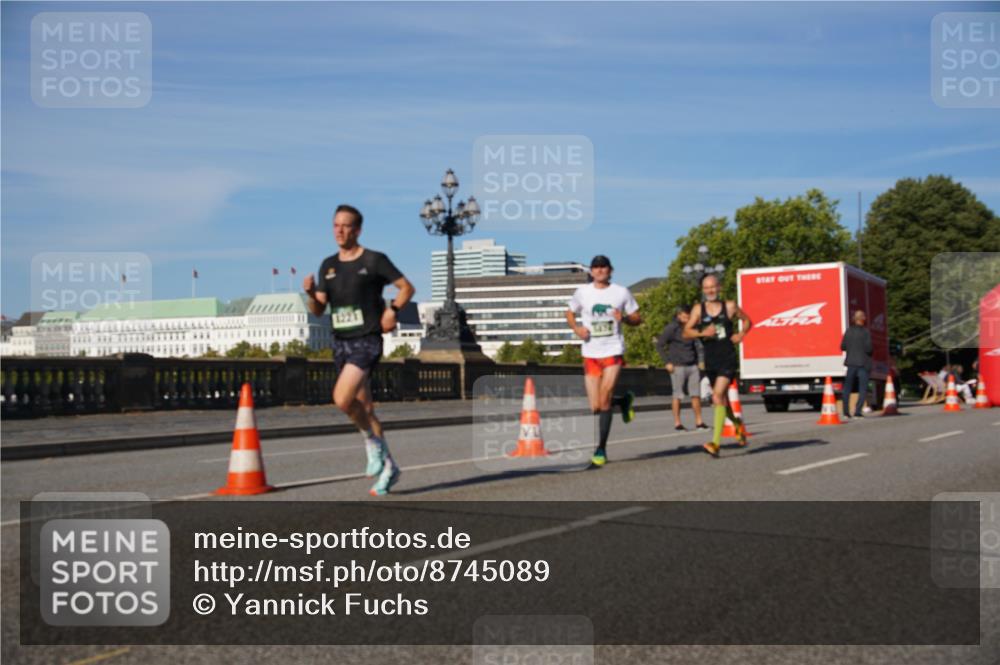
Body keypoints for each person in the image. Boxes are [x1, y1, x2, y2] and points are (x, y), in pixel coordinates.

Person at [304, 204, 415, 496]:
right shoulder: (328, 265)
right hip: (340, 341)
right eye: (335, 225)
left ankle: (372, 445)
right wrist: (309, 293)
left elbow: (406, 288)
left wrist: (392, 311)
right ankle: (389, 466)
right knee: (364, 408)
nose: (339, 231)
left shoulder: (374, 260)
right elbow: (318, 309)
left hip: (367, 339)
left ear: (358, 230)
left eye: (346, 226)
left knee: (342, 399)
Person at [566, 255, 641, 467]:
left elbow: (637, 318)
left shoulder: (621, 292)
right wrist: (576, 328)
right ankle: (623, 401)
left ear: (610, 270)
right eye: (596, 267)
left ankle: (600, 449)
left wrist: (624, 318)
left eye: (603, 267)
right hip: (590, 352)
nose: (599, 271)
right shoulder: (583, 292)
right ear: (591, 271)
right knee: (596, 406)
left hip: (612, 350)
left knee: (605, 396)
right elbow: (570, 312)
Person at [683, 273, 751, 457]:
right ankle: (737, 425)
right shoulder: (699, 309)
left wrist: (741, 334)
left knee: (717, 396)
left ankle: (715, 443)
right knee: (721, 401)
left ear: (719, 287)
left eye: (713, 287)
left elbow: (747, 320)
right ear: (703, 290)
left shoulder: (729, 306)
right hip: (710, 360)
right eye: (706, 288)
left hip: (727, 358)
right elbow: (686, 331)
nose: (710, 290)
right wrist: (702, 332)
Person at [655, 305, 707, 431]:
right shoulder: (672, 328)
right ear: (678, 315)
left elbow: (698, 345)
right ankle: (677, 423)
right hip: (677, 366)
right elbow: (660, 345)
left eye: (689, 316)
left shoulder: (692, 327)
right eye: (685, 316)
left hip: (693, 365)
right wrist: (667, 362)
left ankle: (699, 422)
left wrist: (700, 362)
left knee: (696, 395)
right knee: (677, 395)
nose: (687, 318)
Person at [840, 310, 873, 419]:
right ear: (863, 319)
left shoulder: (848, 331)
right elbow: (869, 349)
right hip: (863, 363)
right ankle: (857, 411)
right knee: (862, 388)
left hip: (850, 363)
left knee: (847, 388)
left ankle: (846, 412)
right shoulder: (865, 332)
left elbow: (843, 346)